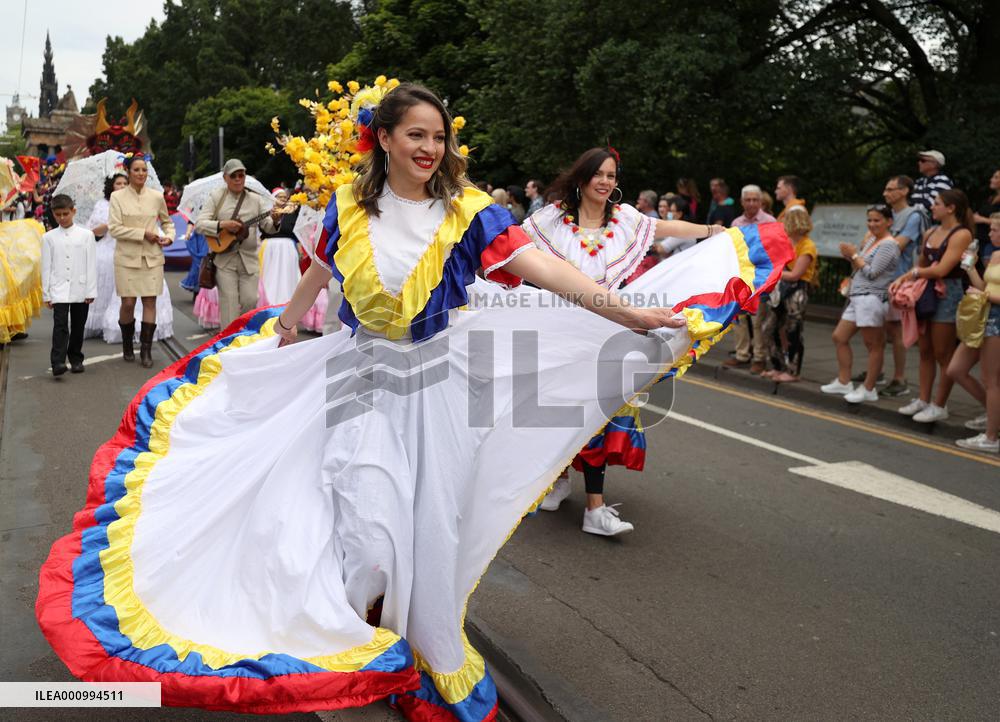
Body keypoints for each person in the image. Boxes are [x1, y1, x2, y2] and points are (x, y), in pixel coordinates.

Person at [36, 82, 790, 720]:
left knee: (415, 516)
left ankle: (400, 628)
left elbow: (550, 276)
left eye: (439, 137)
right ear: (385, 139)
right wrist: (291, 329)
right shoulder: (347, 208)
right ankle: (351, 614)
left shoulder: (471, 214)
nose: (430, 148)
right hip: (356, 372)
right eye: (416, 135)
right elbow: (321, 273)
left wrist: (630, 313)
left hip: (433, 383)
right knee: (360, 509)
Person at [524, 148, 724, 534]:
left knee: (596, 413)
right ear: (581, 178)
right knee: (561, 413)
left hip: (605, 329)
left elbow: (667, 228)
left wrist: (712, 232)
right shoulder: (551, 219)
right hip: (558, 331)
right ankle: (562, 480)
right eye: (598, 174)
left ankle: (594, 509)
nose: (605, 181)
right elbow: (513, 245)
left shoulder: (627, 219)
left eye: (611, 175)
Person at [891, 189, 974, 422]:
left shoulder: (961, 234)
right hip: (927, 292)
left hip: (949, 293)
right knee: (925, 349)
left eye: (937, 203)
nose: (932, 207)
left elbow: (941, 269)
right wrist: (914, 278)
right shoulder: (930, 232)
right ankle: (923, 399)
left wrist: (912, 274)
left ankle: (940, 404)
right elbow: (924, 264)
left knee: (943, 352)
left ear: (951, 208)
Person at [821, 204, 900, 403]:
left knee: (873, 345)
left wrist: (855, 255)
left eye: (877, 220)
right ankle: (844, 381)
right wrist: (851, 256)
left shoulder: (889, 244)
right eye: (870, 220)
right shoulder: (873, 240)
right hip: (858, 296)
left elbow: (873, 272)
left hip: (871, 297)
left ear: (889, 222)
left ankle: (869, 388)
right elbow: (860, 267)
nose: (872, 224)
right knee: (839, 336)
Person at [195, 159, 280, 328]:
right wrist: (222, 225)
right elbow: (200, 224)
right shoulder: (217, 197)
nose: (238, 179)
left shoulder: (256, 199)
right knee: (229, 305)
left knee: (251, 300)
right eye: (233, 176)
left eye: (241, 175)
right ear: (225, 178)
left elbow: (268, 227)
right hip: (224, 261)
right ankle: (229, 347)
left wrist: (277, 220)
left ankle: (243, 337)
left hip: (249, 260)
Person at [107, 154, 175, 368]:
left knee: (150, 301)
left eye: (144, 170)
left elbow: (167, 222)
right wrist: (143, 233)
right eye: (136, 170)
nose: (141, 174)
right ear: (128, 172)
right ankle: (127, 343)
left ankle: (145, 350)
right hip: (126, 257)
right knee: (127, 303)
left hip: (152, 256)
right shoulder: (117, 197)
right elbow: (114, 229)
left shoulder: (156, 196)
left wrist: (169, 236)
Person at [877, 175, 928, 396]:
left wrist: (870, 249)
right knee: (876, 326)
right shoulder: (887, 214)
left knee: (896, 330)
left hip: (899, 278)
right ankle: (876, 370)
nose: (885, 193)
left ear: (905, 191)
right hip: (880, 276)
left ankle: (900, 379)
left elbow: (898, 245)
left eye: (891, 189)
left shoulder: (913, 216)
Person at [953, 213, 1000, 451]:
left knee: (991, 380)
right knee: (956, 370)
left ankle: (991, 437)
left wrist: (983, 296)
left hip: (997, 321)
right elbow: (983, 286)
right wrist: (970, 267)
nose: (989, 234)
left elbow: (989, 294)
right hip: (983, 317)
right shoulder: (994, 254)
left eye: (994, 230)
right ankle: (993, 414)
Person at [41, 194, 96, 376]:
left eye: (66, 213)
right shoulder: (48, 238)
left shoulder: (86, 235)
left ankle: (76, 357)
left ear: (73, 211)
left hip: (81, 287)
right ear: (53, 214)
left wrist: (91, 290)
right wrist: (46, 294)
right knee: (60, 325)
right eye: (58, 215)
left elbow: (91, 264)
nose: (62, 218)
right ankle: (57, 361)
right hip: (58, 289)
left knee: (79, 325)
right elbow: (46, 267)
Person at [761, 206, 817, 382]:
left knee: (793, 330)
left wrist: (772, 272)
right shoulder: (786, 241)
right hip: (781, 289)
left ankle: (793, 371)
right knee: (769, 328)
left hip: (797, 291)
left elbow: (795, 275)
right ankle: (778, 366)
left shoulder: (807, 246)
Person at [726, 185, 778, 372]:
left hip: (761, 277)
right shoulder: (736, 223)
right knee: (738, 319)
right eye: (748, 200)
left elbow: (774, 251)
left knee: (758, 321)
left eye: (755, 200)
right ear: (742, 202)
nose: (751, 203)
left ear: (761, 201)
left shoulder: (769, 221)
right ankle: (741, 354)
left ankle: (759, 357)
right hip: (740, 276)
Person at [972, 168, 1000, 249]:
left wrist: (982, 219)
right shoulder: (991, 198)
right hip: (981, 240)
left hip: (993, 243)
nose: (991, 179)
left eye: (996, 177)